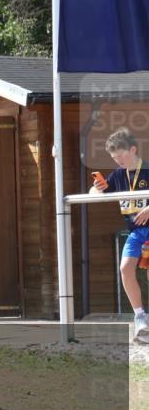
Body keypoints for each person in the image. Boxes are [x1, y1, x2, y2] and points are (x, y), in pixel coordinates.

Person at [90, 127, 149, 343]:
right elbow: (93, 194)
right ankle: (140, 317)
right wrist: (97, 188)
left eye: (120, 156)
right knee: (125, 268)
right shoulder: (117, 175)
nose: (118, 161)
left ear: (133, 149)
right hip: (135, 233)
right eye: (114, 158)